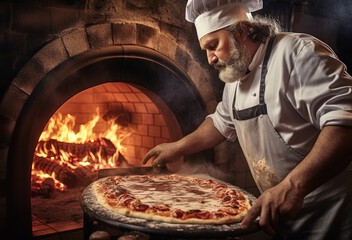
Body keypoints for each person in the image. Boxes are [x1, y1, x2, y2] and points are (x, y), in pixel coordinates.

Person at [142, 0, 352, 239]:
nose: (209, 58)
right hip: (282, 216)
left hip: (333, 215)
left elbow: (344, 122)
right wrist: (178, 147)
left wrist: (293, 186)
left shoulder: (297, 54)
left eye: (213, 46)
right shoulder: (236, 77)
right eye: (206, 50)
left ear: (241, 30)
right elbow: (220, 124)